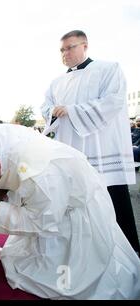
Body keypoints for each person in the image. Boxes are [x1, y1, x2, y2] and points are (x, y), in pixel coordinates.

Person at [0, 124, 140, 299]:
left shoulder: (39, 173)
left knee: (74, 273)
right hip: (42, 200)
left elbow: (43, 220)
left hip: (69, 205)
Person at [40, 30, 139, 254]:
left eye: (70, 47)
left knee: (113, 199)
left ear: (85, 46)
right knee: (77, 201)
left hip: (101, 148)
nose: (65, 53)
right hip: (71, 148)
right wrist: (52, 112)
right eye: (62, 50)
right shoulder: (57, 82)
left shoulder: (108, 69)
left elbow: (112, 102)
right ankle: (87, 252)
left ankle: (129, 252)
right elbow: (45, 107)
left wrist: (73, 111)